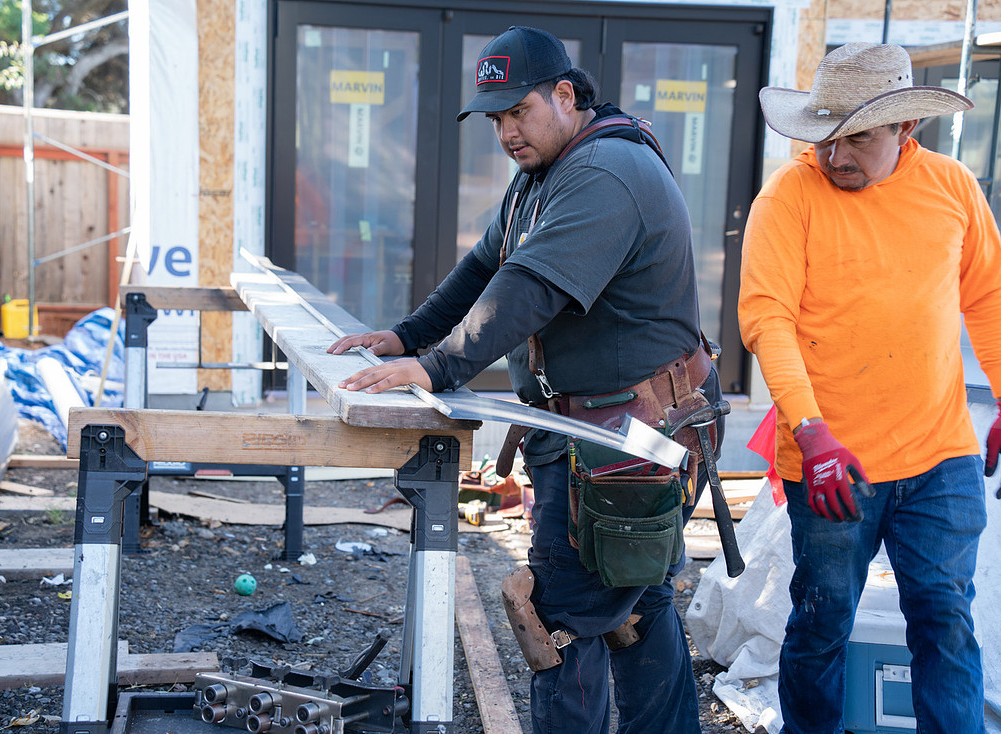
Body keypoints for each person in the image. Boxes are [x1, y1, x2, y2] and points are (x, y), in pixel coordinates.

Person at [328, 25, 721, 734]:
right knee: (633, 599)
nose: (507, 131)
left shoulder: (605, 175)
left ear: (564, 95)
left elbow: (528, 289)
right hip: (600, 431)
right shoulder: (544, 173)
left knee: (558, 613)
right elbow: (487, 264)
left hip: (632, 439)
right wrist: (409, 335)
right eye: (496, 118)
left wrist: (438, 365)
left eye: (519, 111)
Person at [737, 42, 1001, 733]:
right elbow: (767, 320)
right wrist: (810, 429)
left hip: (940, 456)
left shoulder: (953, 189)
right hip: (831, 465)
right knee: (821, 627)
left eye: (858, 137)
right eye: (827, 136)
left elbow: (989, 298)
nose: (836, 155)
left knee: (945, 623)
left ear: (906, 130)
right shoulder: (789, 196)